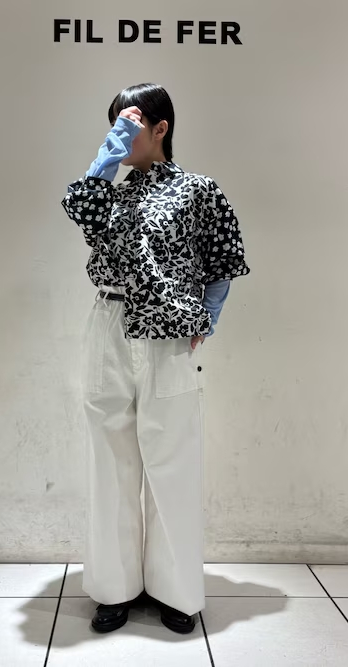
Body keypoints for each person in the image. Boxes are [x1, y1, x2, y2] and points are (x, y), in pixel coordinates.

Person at [61, 83, 250, 634]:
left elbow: (223, 261)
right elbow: (78, 204)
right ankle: (114, 588)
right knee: (110, 460)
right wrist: (111, 149)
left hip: (170, 335)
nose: (119, 136)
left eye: (131, 124)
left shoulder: (198, 191)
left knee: (172, 462)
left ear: (161, 127)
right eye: (113, 125)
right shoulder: (108, 193)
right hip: (110, 324)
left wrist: (206, 319)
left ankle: (175, 590)